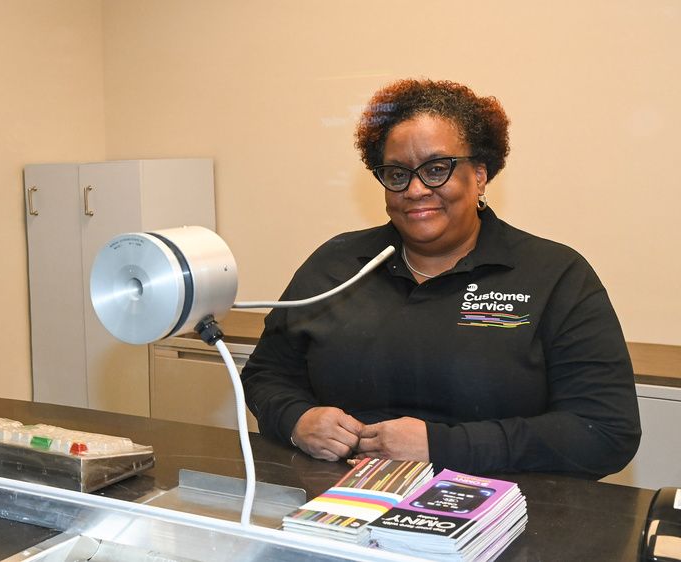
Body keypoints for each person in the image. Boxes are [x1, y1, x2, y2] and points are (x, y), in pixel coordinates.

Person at [240, 79, 641, 478]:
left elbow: (605, 431)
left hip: (501, 515)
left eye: (436, 169)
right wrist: (296, 419)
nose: (415, 190)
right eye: (397, 174)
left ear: (480, 175)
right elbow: (266, 374)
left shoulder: (555, 274)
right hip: (341, 508)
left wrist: (440, 446)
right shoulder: (337, 264)